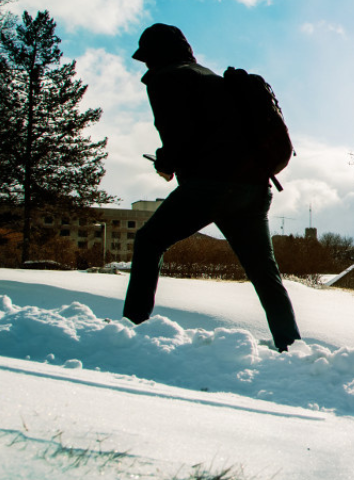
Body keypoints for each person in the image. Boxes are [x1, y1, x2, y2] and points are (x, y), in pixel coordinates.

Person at [122, 24, 300, 352]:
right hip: (254, 188)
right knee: (264, 273)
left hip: (210, 184)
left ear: (156, 56)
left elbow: (179, 137)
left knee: (149, 241)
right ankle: (291, 346)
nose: (145, 66)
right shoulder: (213, 78)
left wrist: (165, 162)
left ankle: (131, 327)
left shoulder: (167, 78)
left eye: (147, 58)